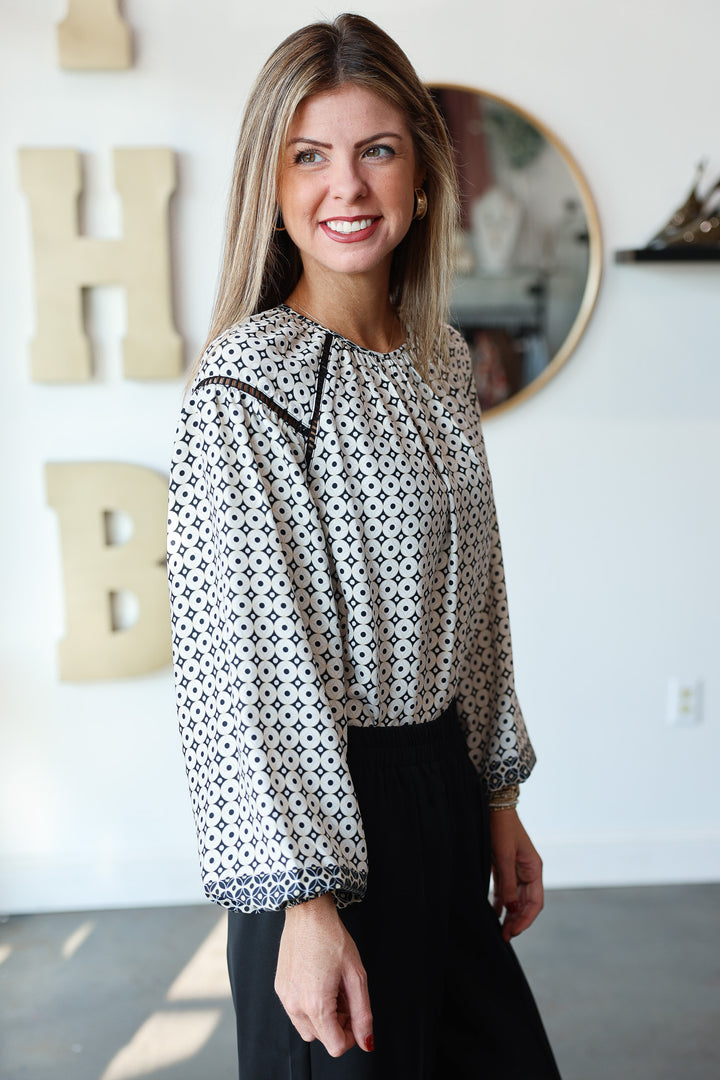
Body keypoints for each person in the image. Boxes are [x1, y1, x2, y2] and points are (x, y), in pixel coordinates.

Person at [167, 13, 561, 1079]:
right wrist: (304, 902)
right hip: (326, 830)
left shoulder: (439, 361)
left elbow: (479, 600)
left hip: (444, 788)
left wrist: (498, 796)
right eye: (310, 156)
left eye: (377, 149)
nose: (346, 185)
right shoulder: (248, 386)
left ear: (423, 175)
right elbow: (244, 671)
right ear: (270, 185)